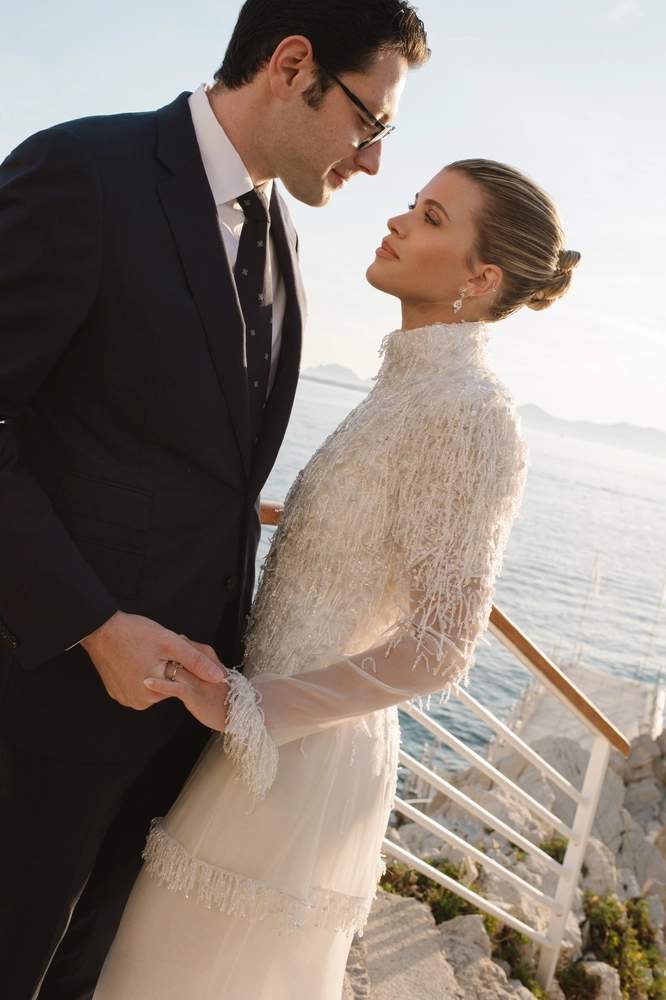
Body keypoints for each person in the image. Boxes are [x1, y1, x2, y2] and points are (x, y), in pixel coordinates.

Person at [0, 2, 430, 997]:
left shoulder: (280, 244)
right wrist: (93, 625)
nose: (372, 162)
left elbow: (204, 474)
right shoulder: (85, 173)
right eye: (372, 123)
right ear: (292, 65)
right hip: (46, 709)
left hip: (180, 734)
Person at [92, 159, 581, 999]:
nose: (397, 220)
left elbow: (440, 647)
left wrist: (253, 709)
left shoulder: (472, 411)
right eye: (411, 205)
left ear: (482, 277)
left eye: (430, 217)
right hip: (254, 737)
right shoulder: (409, 385)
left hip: (294, 762)